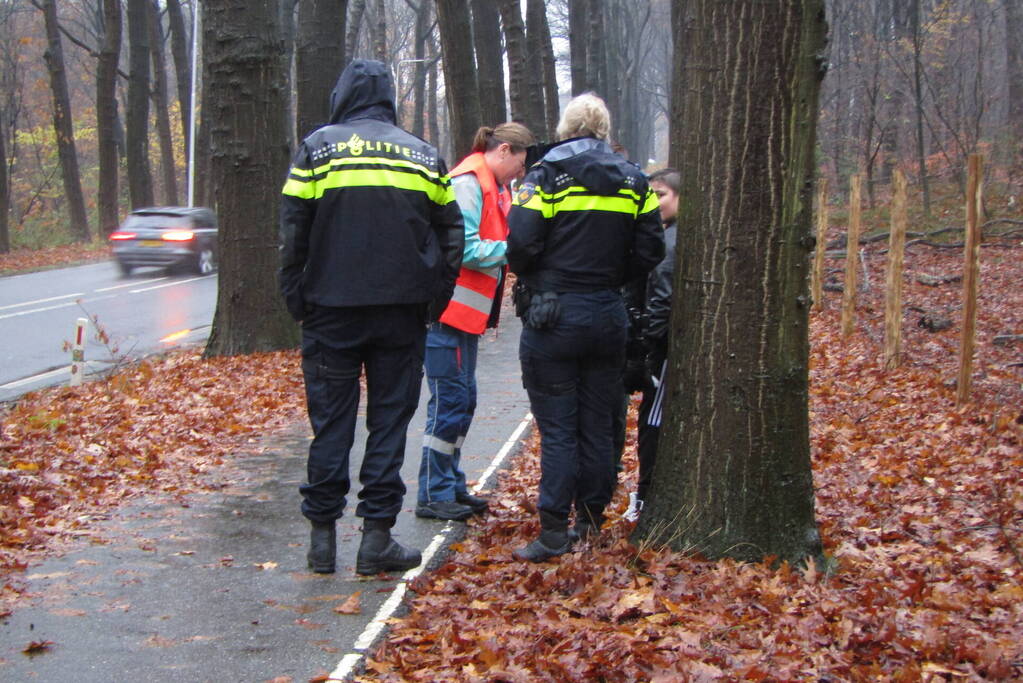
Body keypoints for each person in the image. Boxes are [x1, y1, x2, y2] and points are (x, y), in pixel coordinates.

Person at [279, 59, 464, 575]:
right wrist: (435, 299)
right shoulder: (423, 155)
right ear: (388, 97)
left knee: (331, 426)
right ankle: (375, 540)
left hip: (329, 311)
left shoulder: (318, 149)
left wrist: (297, 295)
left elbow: (293, 228)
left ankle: (321, 541)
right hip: (400, 314)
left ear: (343, 94)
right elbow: (452, 235)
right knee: (388, 425)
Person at [507, 93, 665, 562]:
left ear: (565, 128)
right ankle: (591, 521)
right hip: (606, 312)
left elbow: (520, 242)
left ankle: (554, 530)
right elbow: (651, 249)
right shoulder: (635, 180)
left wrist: (545, 277)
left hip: (554, 314)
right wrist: (613, 278)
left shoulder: (547, 175)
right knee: (598, 424)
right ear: (604, 130)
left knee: (558, 427)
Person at [416, 123, 536, 521]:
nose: (520, 173)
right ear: (504, 150)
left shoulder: (492, 185)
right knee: (449, 403)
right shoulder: (468, 183)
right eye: (519, 164)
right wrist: (513, 250)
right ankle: (433, 493)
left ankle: (450, 484)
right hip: (447, 315)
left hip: (464, 317)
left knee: (462, 402)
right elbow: (465, 248)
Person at [624, 167, 680, 522]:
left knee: (652, 421)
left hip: (663, 352)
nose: (654, 202)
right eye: (650, 194)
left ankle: (645, 497)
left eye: (661, 194)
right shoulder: (664, 236)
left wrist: (646, 347)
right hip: (661, 347)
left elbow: (662, 299)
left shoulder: (670, 244)